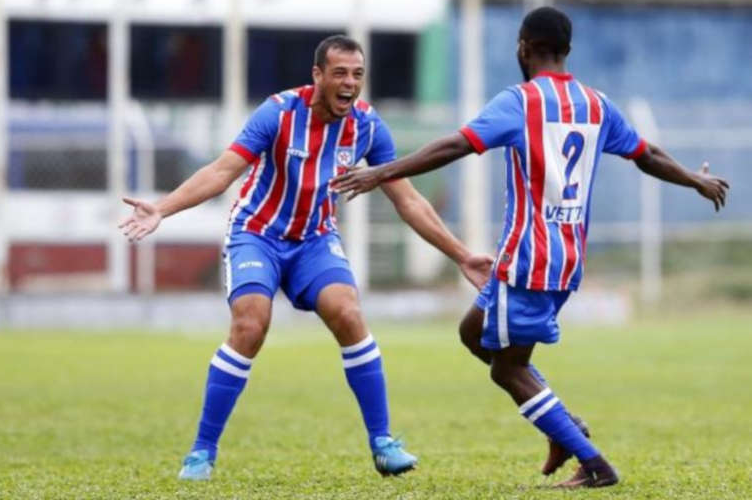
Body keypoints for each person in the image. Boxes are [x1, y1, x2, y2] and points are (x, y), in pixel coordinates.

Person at [331, 7, 730, 488]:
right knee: (473, 331)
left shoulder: (520, 101)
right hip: (564, 257)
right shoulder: (596, 103)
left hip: (529, 260)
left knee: (507, 369)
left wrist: (382, 171)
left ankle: (592, 461)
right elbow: (647, 154)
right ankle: (561, 426)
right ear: (566, 50)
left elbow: (456, 145)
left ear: (523, 47)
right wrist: (694, 179)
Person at [119, 35, 493, 481]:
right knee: (250, 324)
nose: (350, 84)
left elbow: (408, 200)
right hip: (256, 233)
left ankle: (383, 442)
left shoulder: (369, 127)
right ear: (317, 76)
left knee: (349, 312)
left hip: (314, 239)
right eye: (339, 73)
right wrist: (162, 208)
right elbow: (222, 172)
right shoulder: (278, 113)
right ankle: (201, 453)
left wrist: (462, 256)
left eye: (357, 74)